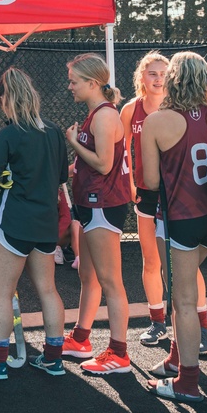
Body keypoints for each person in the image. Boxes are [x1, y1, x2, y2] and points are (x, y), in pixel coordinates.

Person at [141, 51, 207, 402]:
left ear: (173, 78)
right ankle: (178, 360)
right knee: (185, 294)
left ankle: (188, 382)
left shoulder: (157, 120)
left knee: (182, 299)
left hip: (181, 218)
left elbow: (150, 181)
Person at [0, 68, 68, 380]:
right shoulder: (53, 131)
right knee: (48, 289)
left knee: (3, 292)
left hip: (13, 223)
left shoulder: (10, 134)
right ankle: (53, 359)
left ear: (4, 101)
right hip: (46, 223)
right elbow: (62, 177)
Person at [121, 52, 207, 354]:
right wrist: (131, 182)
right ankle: (158, 320)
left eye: (163, 73)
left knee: (184, 268)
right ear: (141, 76)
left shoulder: (176, 109)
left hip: (179, 196)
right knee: (151, 262)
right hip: (148, 195)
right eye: (152, 73)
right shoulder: (131, 109)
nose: (158, 78)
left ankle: (201, 327)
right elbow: (124, 151)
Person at [63, 53, 132, 375]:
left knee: (110, 281)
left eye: (74, 81)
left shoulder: (105, 116)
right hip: (90, 204)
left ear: (92, 83)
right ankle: (80, 338)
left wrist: (74, 144)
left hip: (104, 204)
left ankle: (119, 352)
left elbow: (104, 164)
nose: (70, 87)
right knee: (88, 276)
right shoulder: (96, 114)